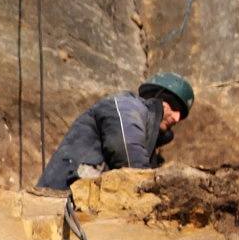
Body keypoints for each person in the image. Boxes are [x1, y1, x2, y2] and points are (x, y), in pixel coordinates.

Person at [37, 72, 196, 190]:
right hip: (58, 203)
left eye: (181, 116)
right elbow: (126, 150)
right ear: (157, 98)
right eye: (174, 107)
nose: (176, 118)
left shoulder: (150, 145)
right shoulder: (128, 106)